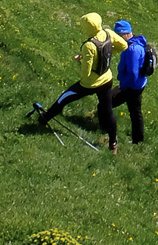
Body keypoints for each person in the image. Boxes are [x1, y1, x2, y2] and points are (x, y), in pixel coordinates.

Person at [39, 13, 127, 153]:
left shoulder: (89, 46)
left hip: (90, 84)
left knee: (64, 98)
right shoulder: (108, 33)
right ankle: (113, 143)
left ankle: (44, 119)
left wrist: (81, 60)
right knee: (108, 110)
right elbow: (123, 45)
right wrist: (109, 54)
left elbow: (85, 73)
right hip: (107, 79)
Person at [111, 19, 148, 144]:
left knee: (106, 104)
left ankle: (106, 129)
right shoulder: (136, 43)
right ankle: (138, 141)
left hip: (131, 87)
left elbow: (133, 73)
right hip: (137, 84)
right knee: (135, 112)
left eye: (119, 35)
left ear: (126, 34)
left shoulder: (132, 49)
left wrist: (121, 87)